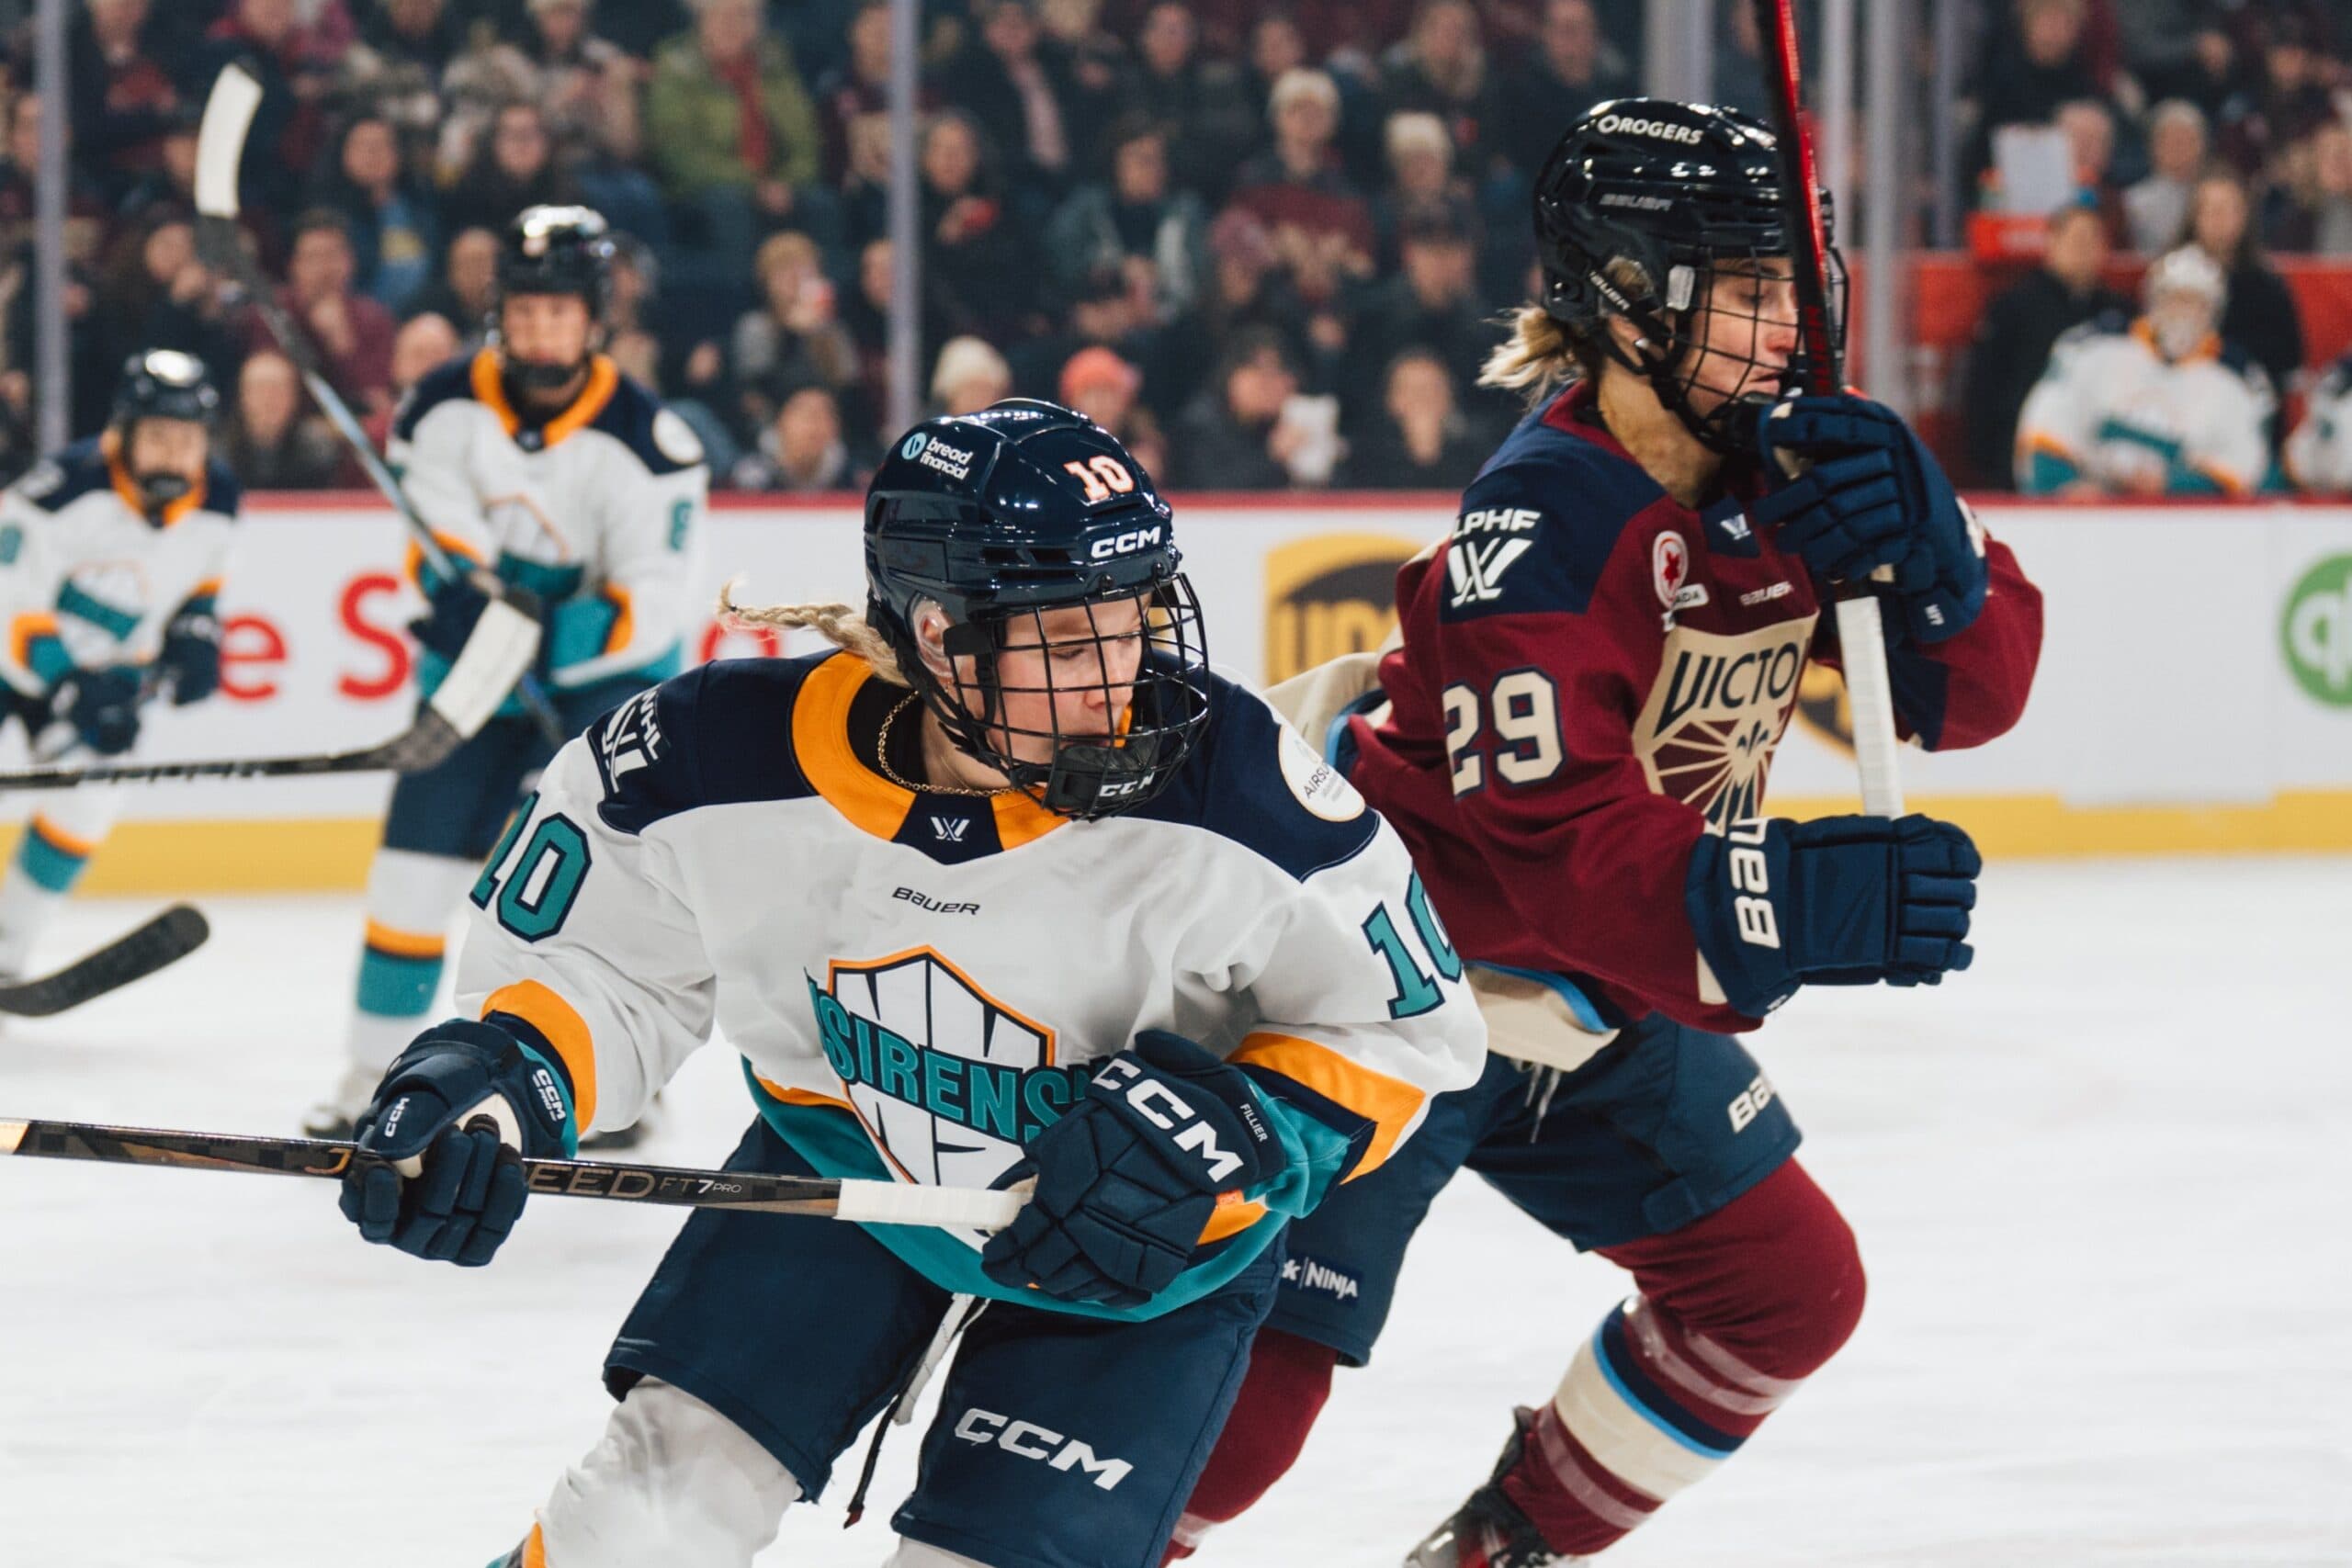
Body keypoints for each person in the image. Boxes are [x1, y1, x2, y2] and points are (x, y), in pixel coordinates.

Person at [332, 399, 1487, 1568]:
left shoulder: (1236, 790)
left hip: (1143, 1246)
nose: (1119, 681)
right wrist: (501, 1077)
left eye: (1132, 625)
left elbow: (1407, 1030)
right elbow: (595, 962)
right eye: (1070, 643)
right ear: (940, 635)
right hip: (843, 1169)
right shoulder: (711, 755)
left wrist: (1243, 1129)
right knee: (637, 1527)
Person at [1166, 99, 2046, 1565]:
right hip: (1394, 986)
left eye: (1799, 281)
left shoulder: (1787, 464)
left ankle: (1496, 1547)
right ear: (1628, 300)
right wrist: (1786, 904)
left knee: (1785, 1287)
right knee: (1252, 1408)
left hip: (1594, 984)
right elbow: (1557, 850)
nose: (1791, 325)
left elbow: (1977, 695)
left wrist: (1934, 552)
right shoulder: (1545, 516)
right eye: (1748, 287)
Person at [303, 207, 709, 1142]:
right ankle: (369, 1075)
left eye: (558, 312)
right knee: (409, 880)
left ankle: (610, 1084)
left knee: (568, 895)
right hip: (474, 681)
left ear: (594, 318)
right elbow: (441, 543)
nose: (538, 331)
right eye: (524, 311)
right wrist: (471, 601)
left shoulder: (654, 444)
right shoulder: (441, 404)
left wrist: (545, 631)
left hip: (601, 695)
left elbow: (651, 601)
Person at [0, 352, 237, 979]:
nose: (173, 454)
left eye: (187, 439)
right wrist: (70, 683)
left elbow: (200, 585)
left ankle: (3, 953)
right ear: (123, 434)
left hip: (96, 678)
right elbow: (9, 602)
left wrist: (195, 634)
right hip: (14, 666)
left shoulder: (218, 499)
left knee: (93, 795)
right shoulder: (64, 488)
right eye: (157, 436)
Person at [2015, 244, 2271, 497]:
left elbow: (2244, 468)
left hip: (2180, 526)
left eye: (2195, 303)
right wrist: (2063, 484)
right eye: (2174, 299)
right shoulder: (2093, 347)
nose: (2183, 313)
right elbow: (2048, 423)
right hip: (2088, 512)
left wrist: (2175, 485)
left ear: (2215, 313)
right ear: (2153, 301)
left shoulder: (2237, 381)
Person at [1957, 201, 2130, 489]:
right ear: (2052, 242)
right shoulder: (2013, 308)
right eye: (2076, 239)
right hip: (2021, 466)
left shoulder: (2121, 314)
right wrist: (1999, 466)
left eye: (2092, 240)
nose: (2084, 250)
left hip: (2101, 474)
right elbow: (1984, 393)